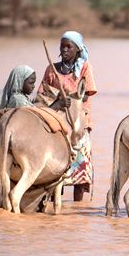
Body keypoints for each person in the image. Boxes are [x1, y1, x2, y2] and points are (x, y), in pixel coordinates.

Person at [37, 31, 97, 201]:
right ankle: (56, 204)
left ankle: (77, 207)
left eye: (68, 47)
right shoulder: (52, 69)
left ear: (77, 50)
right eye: (62, 46)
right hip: (57, 124)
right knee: (55, 169)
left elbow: (85, 95)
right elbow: (42, 95)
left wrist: (69, 97)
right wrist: (58, 101)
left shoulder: (85, 67)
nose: (64, 50)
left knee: (80, 172)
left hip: (79, 124)